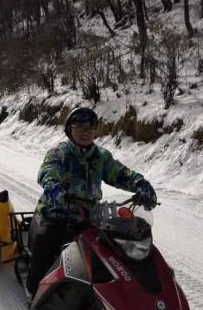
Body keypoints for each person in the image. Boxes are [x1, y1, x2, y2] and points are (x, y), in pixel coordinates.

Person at [25, 107, 157, 297]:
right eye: (79, 126)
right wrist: (54, 188)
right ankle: (34, 288)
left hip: (90, 216)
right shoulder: (59, 153)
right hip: (57, 213)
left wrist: (140, 183)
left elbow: (119, 173)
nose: (86, 131)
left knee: (119, 245)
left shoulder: (101, 156)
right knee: (47, 241)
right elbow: (47, 171)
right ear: (70, 130)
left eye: (90, 127)